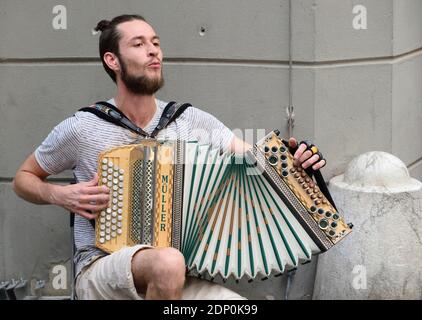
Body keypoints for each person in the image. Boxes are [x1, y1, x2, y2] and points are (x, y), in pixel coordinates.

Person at [12, 14, 326, 300]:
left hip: (175, 277)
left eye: (156, 43)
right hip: (100, 269)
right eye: (138, 44)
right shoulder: (83, 127)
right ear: (113, 60)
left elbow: (253, 159)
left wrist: (294, 160)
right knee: (168, 261)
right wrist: (60, 193)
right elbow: (23, 179)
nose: (153, 51)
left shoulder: (188, 120)